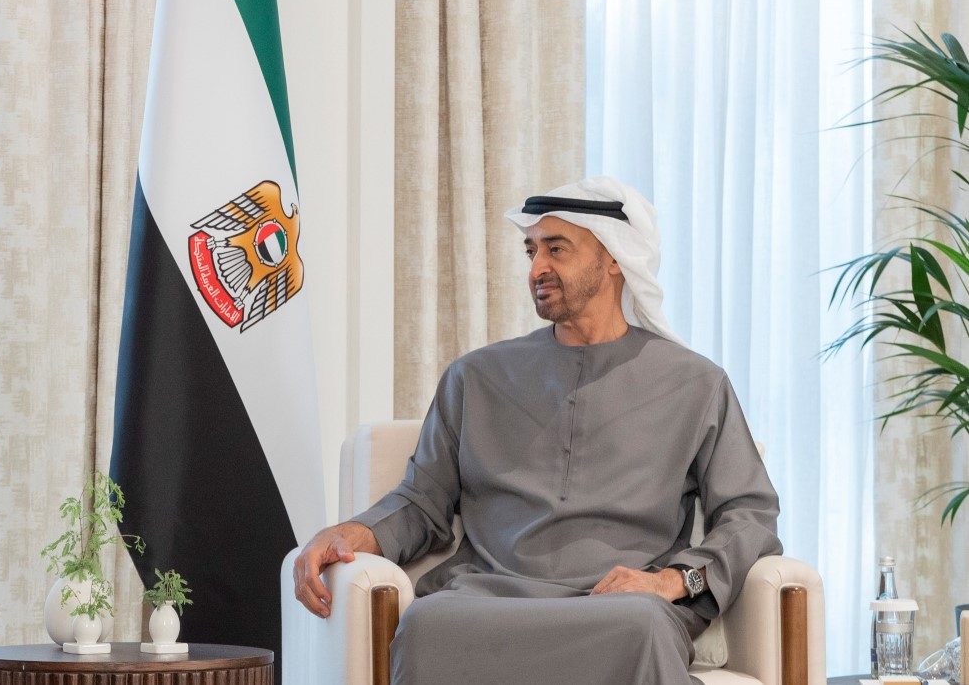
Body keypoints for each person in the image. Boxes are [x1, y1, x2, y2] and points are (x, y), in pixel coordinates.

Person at [289, 177, 781, 684]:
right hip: (489, 595)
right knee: (427, 623)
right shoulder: (475, 377)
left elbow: (751, 514)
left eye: (556, 249)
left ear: (614, 258)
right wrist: (350, 533)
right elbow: (422, 502)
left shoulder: (695, 383)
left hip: (618, 605)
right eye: (531, 251)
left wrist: (673, 581)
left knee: (642, 624)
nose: (536, 268)